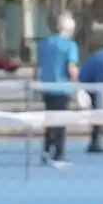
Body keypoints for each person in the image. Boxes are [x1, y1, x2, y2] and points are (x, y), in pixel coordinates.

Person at [35, 12, 80, 166]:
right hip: (62, 88)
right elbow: (71, 67)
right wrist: (78, 83)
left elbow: (38, 66)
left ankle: (47, 151)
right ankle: (58, 155)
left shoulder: (44, 43)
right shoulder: (70, 45)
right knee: (60, 123)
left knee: (49, 121)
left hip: (46, 87)